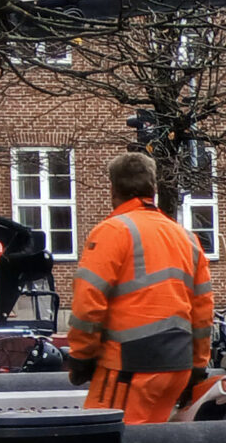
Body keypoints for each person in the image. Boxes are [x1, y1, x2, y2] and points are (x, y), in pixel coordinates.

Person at [59, 151, 216, 424]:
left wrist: (81, 357)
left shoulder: (112, 232)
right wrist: (198, 366)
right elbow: (202, 312)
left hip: (128, 368)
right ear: (154, 188)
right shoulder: (186, 238)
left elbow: (88, 302)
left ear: (113, 188)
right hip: (176, 367)